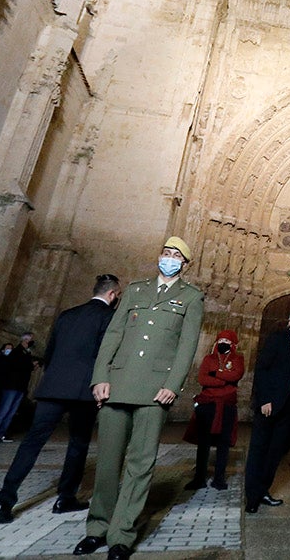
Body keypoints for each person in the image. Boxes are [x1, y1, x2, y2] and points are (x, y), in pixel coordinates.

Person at [75, 238, 204, 560]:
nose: (170, 259)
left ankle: (121, 534)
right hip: (117, 383)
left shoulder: (191, 297)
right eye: (166, 253)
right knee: (107, 462)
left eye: (177, 256)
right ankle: (97, 528)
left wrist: (173, 385)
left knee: (140, 465)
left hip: (154, 391)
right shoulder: (135, 290)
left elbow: (187, 345)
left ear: (185, 264)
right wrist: (100, 377)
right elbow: (114, 334)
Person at [0, 274, 122, 524]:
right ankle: (65, 498)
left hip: (53, 388)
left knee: (31, 443)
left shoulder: (67, 315)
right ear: (112, 295)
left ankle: (3, 502)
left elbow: (50, 352)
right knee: (78, 444)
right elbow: (104, 354)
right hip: (84, 390)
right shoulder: (108, 317)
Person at [245, 307, 290, 515]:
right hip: (270, 404)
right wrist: (264, 400)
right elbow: (262, 369)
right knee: (259, 450)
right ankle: (252, 498)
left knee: (275, 453)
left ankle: (263, 490)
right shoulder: (277, 339)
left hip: (289, 407)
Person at [183, 327, 245, 491]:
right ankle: (199, 478)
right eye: (221, 341)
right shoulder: (208, 358)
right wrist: (223, 379)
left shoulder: (238, 359)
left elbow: (236, 375)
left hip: (227, 406)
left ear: (232, 344)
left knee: (223, 443)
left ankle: (219, 478)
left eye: (227, 341)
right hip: (208, 404)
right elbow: (202, 378)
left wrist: (215, 373)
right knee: (203, 442)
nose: (223, 343)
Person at [0, 331, 39, 442]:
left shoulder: (26, 353)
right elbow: (17, 366)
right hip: (11, 386)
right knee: (4, 410)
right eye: (30, 339)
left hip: (20, 387)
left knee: (11, 412)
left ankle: (2, 433)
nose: (31, 342)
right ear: (25, 340)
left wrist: (31, 366)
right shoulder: (16, 352)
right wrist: (30, 365)